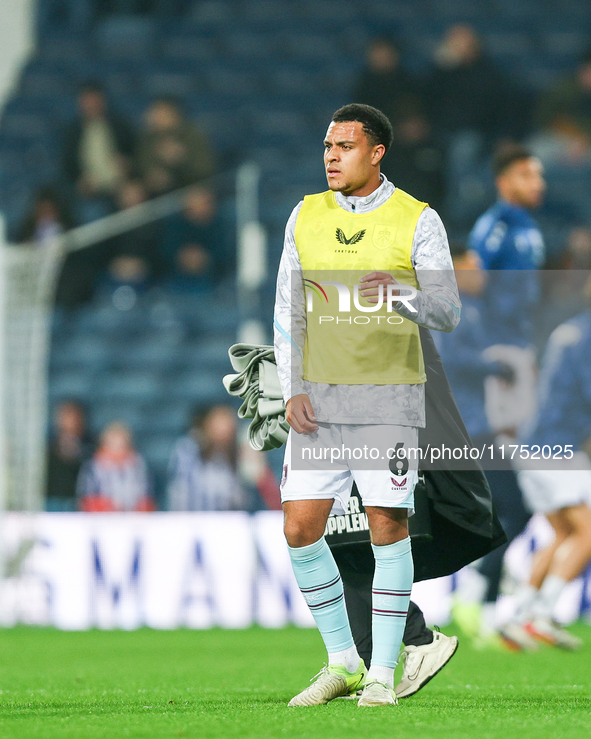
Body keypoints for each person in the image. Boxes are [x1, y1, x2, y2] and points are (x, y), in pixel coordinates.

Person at [274, 103, 461, 706]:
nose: (331, 156)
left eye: (345, 146)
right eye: (327, 146)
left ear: (377, 152)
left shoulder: (417, 220)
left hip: (387, 399)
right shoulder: (304, 215)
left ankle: (383, 672)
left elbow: (447, 311)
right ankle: (342, 661)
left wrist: (403, 293)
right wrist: (290, 389)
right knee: (301, 528)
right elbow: (289, 310)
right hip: (318, 403)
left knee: (386, 525)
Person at [435, 245, 533, 650]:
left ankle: (481, 605)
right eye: (472, 267)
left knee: (504, 513)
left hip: (476, 428)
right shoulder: (450, 307)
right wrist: (497, 367)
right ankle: (477, 593)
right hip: (468, 432)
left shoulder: (469, 309)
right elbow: (452, 360)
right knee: (514, 510)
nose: (481, 274)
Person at [505, 278, 591, 650]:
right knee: (587, 533)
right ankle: (543, 612)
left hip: (533, 445)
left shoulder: (570, 331)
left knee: (563, 534)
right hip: (557, 447)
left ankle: (518, 615)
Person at [468, 144, 545, 436]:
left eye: (538, 175)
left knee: (523, 433)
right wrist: (490, 354)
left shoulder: (529, 226)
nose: (537, 183)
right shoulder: (492, 228)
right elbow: (474, 288)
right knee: (505, 438)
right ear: (503, 182)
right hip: (499, 346)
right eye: (526, 175)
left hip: (521, 343)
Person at [62, 81, 135, 224]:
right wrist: (79, 182)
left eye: (95, 100)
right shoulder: (72, 133)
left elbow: (135, 154)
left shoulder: (120, 126)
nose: (91, 105)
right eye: (87, 101)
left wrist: (129, 169)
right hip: (90, 192)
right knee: (92, 217)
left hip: (121, 188)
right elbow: (66, 166)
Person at [136, 98, 215, 197]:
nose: (158, 117)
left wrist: (181, 160)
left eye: (163, 114)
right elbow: (143, 166)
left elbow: (205, 170)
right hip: (156, 194)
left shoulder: (192, 135)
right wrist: (153, 175)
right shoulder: (148, 138)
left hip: (191, 188)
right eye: (156, 113)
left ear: (175, 115)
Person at [77, 421, 155, 512]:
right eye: (113, 446)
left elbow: (147, 500)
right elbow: (86, 500)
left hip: (133, 520)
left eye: (121, 446)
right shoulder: (92, 468)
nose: (117, 452)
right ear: (104, 446)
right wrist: (111, 507)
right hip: (101, 520)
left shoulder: (139, 466)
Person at [46, 401, 93, 512]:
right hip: (52, 503)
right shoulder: (49, 448)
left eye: (74, 416)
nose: (70, 421)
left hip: (80, 503)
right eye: (66, 416)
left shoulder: (90, 446)